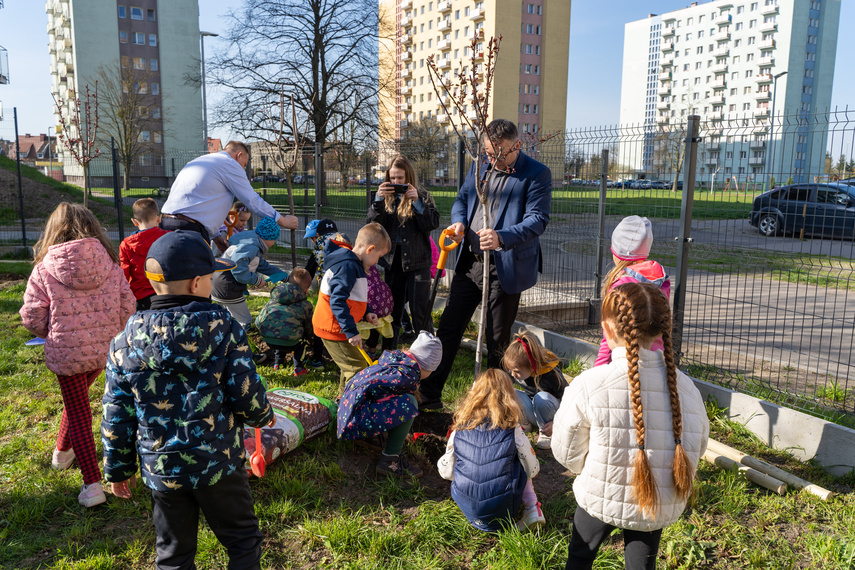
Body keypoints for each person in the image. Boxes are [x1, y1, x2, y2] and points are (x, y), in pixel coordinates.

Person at [102, 230, 276, 570]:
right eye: (212, 276)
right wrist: (261, 415)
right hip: (219, 464)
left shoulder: (123, 342)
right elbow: (244, 388)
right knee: (242, 539)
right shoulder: (225, 328)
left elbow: (116, 413)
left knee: (174, 553)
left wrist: (118, 468)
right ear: (197, 283)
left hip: (163, 469)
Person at [551, 282, 709, 570]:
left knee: (580, 555)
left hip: (598, 497)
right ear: (662, 330)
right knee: (641, 566)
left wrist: (586, 468)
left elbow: (566, 451)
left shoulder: (589, 383)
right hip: (656, 502)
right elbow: (697, 445)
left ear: (607, 330)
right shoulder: (687, 388)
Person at [420, 119, 552, 410]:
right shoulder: (480, 164)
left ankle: (493, 407)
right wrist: (458, 222)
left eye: (498, 154)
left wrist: (502, 237)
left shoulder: (537, 174)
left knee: (496, 342)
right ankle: (429, 395)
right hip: (470, 263)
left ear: (517, 145)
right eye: (488, 153)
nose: (491, 160)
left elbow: (538, 219)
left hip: (505, 266)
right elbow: (463, 200)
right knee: (449, 329)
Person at [19, 202, 135, 507]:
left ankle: (92, 485)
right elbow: (128, 304)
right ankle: (62, 451)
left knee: (80, 413)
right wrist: (108, 329)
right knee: (78, 402)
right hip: (103, 350)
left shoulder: (44, 268)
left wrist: (53, 333)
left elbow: (31, 316)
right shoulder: (110, 263)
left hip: (68, 356)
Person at [437, 368, 545, 532]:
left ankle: (477, 507)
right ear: (509, 396)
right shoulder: (511, 428)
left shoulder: (460, 428)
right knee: (521, 463)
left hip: (468, 507)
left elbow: (446, 473)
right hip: (504, 506)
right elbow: (531, 469)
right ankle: (531, 507)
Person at [337, 331, 442, 479]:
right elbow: (394, 407)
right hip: (353, 421)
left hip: (348, 412)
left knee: (396, 402)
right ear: (426, 367)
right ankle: (390, 460)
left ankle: (370, 437)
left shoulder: (394, 361)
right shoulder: (407, 376)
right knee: (409, 404)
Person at [367, 154, 440, 348]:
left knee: (420, 311)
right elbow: (372, 228)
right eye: (393, 178)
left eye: (400, 178)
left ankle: (427, 354)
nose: (396, 182)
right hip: (393, 261)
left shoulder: (422, 196)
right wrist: (377, 202)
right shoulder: (384, 199)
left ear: (409, 177)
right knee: (393, 310)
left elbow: (432, 224)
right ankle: (388, 353)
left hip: (418, 261)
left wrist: (417, 203)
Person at [160, 140, 298, 241]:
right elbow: (253, 201)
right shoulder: (230, 164)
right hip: (189, 230)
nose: (243, 169)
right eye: (244, 164)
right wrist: (283, 221)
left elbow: (197, 204)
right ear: (239, 155)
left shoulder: (200, 161)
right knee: (196, 278)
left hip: (166, 223)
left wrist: (217, 238)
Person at [312, 222, 391, 395]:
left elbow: (354, 295)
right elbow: (337, 300)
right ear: (370, 249)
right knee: (357, 367)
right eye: (379, 256)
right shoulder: (348, 266)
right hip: (333, 328)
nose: (378, 262)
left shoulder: (354, 264)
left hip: (339, 327)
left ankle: (341, 401)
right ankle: (348, 408)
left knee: (351, 365)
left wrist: (367, 310)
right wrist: (351, 331)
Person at [595, 215, 670, 367]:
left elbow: (609, 337)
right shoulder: (661, 279)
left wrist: (598, 369)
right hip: (658, 361)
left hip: (624, 363)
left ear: (615, 251)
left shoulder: (620, 287)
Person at [211, 216, 283, 330]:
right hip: (228, 287)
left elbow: (261, 264)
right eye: (274, 239)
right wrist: (257, 281)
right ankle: (238, 344)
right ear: (268, 238)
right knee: (244, 321)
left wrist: (282, 275)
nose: (274, 243)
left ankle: (221, 338)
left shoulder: (249, 240)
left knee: (225, 318)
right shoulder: (251, 247)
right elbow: (238, 269)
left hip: (218, 282)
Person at [501, 329, 569, 450]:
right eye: (510, 370)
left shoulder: (550, 375)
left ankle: (547, 433)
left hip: (554, 414)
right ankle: (525, 423)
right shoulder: (517, 370)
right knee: (510, 393)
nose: (512, 374)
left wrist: (558, 423)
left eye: (516, 371)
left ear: (532, 366)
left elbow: (569, 402)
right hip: (535, 409)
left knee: (541, 398)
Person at [254, 267, 318, 374]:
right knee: (300, 340)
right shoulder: (305, 305)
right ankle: (298, 368)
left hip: (269, 339)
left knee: (279, 330)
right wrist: (311, 338)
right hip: (291, 342)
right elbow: (308, 326)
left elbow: (258, 320)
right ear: (306, 289)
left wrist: (264, 331)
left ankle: (277, 363)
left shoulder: (273, 299)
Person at [120, 198, 168, 310]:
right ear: (159, 218)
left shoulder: (127, 244)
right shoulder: (167, 237)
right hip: (164, 292)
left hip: (139, 295)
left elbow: (124, 273)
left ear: (134, 222)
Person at [304, 218, 339, 285]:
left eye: (316, 237)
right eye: (312, 238)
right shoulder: (343, 242)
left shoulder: (318, 251)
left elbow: (309, 271)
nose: (314, 241)